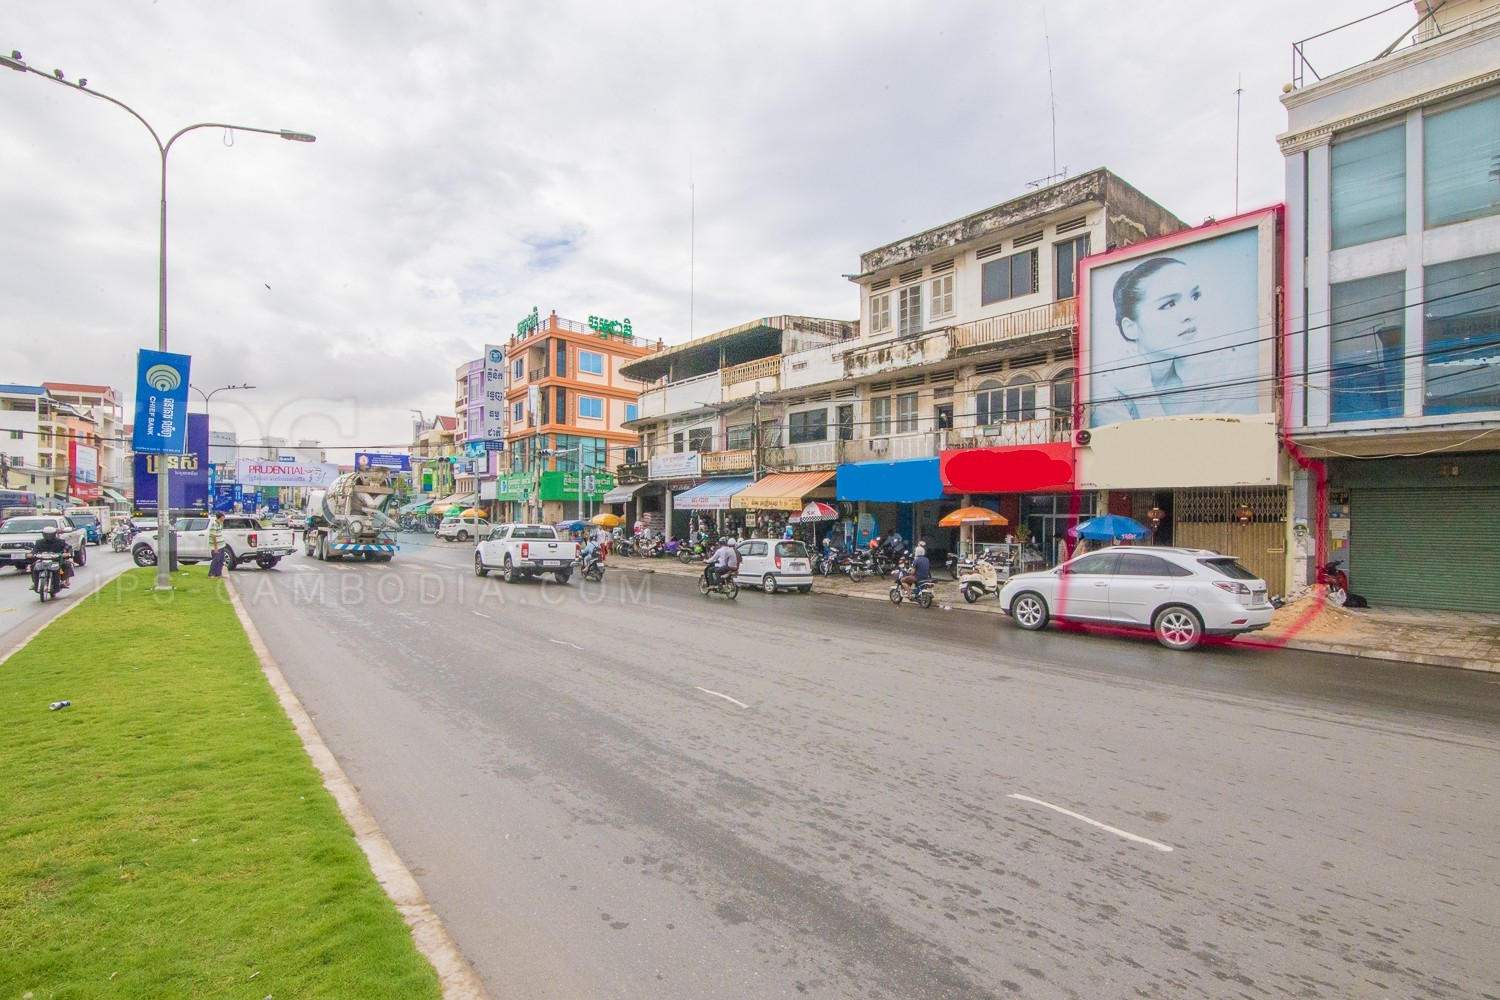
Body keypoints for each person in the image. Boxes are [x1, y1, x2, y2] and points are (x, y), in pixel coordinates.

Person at [1091, 255, 1258, 426]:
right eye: (1169, 304)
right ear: (1130, 327)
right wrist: (1143, 392)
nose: (1190, 314)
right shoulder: (1104, 390)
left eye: (1195, 296)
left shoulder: (1215, 369)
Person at [31, 525, 74, 589]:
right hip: (43, 560)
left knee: (67, 565)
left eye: (50, 534)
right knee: (33, 566)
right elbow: (34, 550)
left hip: (56, 560)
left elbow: (68, 547)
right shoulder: (39, 542)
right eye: (47, 534)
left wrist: (67, 553)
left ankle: (62, 581)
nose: (48, 536)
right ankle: (35, 583)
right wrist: (31, 554)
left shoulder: (60, 541)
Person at [207, 512, 227, 578]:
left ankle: (218, 573)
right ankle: (211, 574)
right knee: (216, 559)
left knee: (221, 560)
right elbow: (214, 536)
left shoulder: (220, 524)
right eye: (223, 517)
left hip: (221, 544)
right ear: (221, 517)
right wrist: (215, 547)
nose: (224, 518)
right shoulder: (214, 524)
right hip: (216, 545)